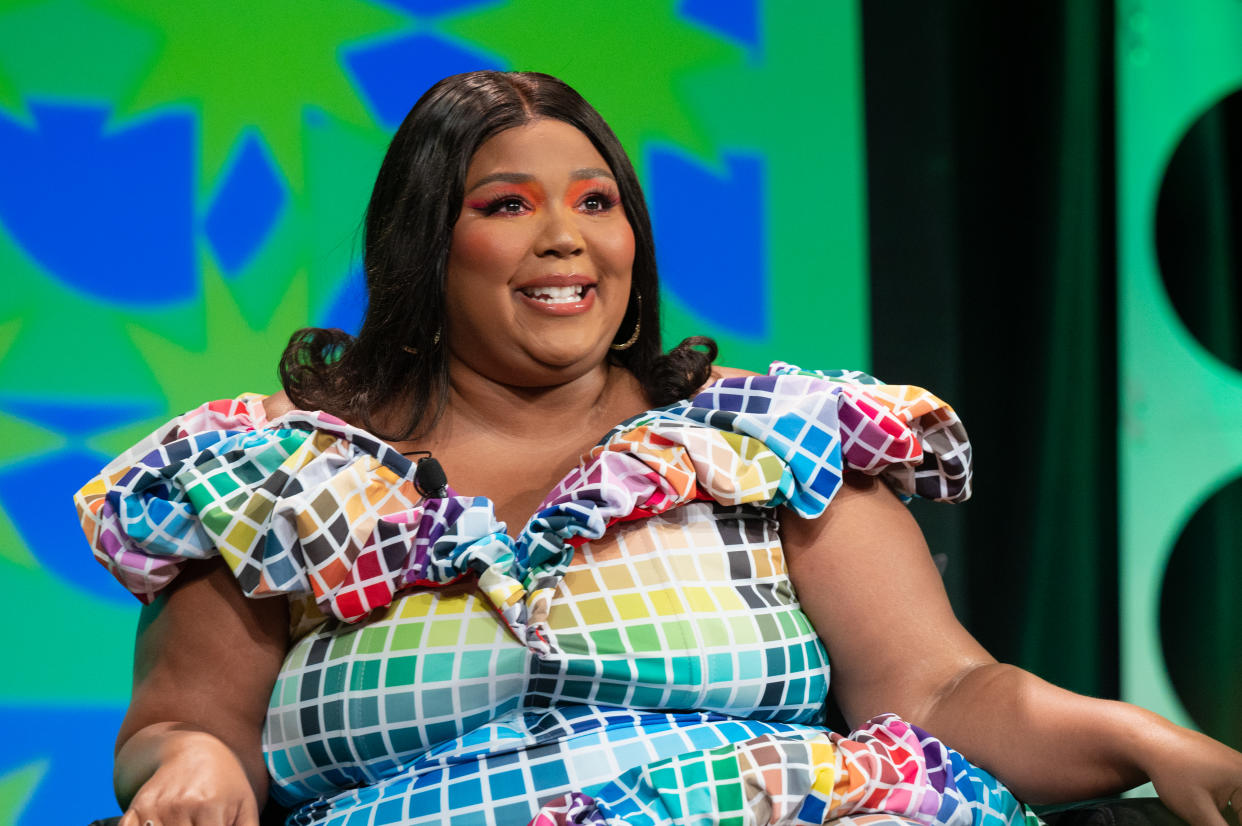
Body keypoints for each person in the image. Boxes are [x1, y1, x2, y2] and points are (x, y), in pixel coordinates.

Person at [76, 71, 1242, 826]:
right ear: (423, 248)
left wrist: (1141, 737)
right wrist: (198, 771)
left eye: (597, 202)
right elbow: (188, 722)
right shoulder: (277, 480)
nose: (566, 238)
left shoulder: (761, 440)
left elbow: (939, 689)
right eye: (506, 205)